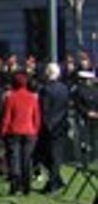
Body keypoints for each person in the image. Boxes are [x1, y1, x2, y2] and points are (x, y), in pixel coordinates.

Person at [1, 72, 41, 195]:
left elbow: (7, 116)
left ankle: (15, 185)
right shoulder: (32, 98)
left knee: (14, 159)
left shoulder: (11, 97)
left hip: (14, 131)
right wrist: (35, 130)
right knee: (27, 159)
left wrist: (3, 131)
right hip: (29, 131)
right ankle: (26, 185)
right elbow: (36, 117)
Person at [37, 62, 70, 194]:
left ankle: (54, 182)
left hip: (48, 126)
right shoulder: (64, 88)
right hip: (61, 125)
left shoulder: (45, 90)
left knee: (47, 156)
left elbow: (44, 109)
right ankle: (56, 180)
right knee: (55, 156)